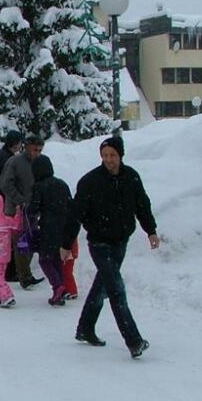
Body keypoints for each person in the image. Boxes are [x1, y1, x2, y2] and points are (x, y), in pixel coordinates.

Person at [73, 136, 160, 359]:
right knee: (116, 289)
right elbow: (76, 214)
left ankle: (85, 328)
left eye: (112, 155)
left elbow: (142, 205)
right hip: (99, 242)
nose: (109, 159)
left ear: (120, 155)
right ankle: (134, 341)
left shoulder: (131, 177)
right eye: (105, 155)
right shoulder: (90, 181)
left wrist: (150, 230)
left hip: (121, 240)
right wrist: (66, 243)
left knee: (102, 286)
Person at [30, 154, 81, 306]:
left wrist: (27, 208)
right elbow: (71, 205)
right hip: (65, 227)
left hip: (49, 227)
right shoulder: (62, 184)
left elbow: (34, 208)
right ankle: (60, 291)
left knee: (45, 260)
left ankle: (58, 287)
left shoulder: (38, 186)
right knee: (57, 259)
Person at [0, 134, 44, 289]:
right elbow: (5, 184)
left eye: (39, 150)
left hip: (32, 210)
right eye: (34, 150)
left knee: (30, 242)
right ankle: (24, 276)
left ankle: (25, 273)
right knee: (21, 243)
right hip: (16, 211)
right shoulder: (14, 162)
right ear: (27, 147)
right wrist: (20, 200)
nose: (37, 153)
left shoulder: (39, 163)